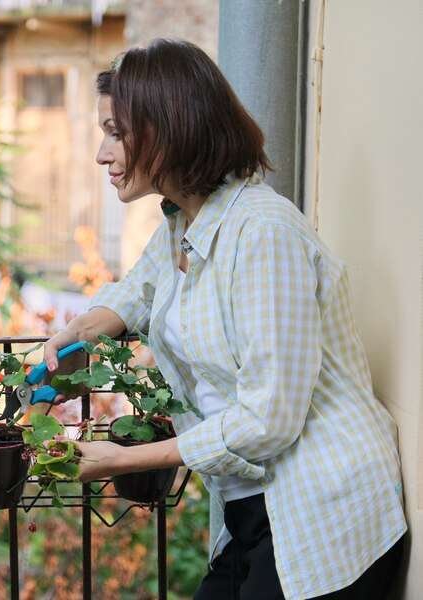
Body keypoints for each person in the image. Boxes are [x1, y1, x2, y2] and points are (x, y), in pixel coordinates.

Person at [44, 39, 407, 599]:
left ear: (168, 129)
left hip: (324, 513)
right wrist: (78, 331)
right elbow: (138, 289)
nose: (101, 153)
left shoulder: (264, 235)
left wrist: (124, 459)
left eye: (115, 132)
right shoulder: (184, 222)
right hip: (255, 512)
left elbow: (268, 420)